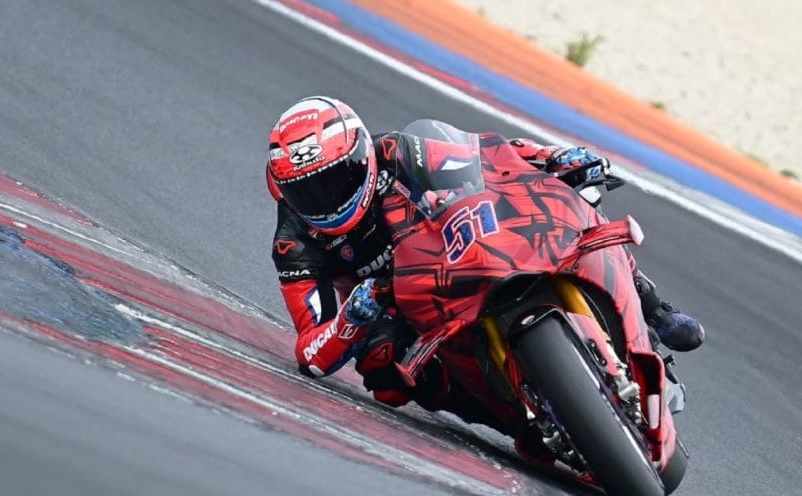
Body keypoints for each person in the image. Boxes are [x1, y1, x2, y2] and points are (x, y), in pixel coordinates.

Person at [266, 95, 704, 422]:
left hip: (459, 243)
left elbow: (493, 155)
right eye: (306, 191)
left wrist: (553, 157)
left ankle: (654, 307)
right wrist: (350, 320)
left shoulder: (397, 152)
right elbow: (311, 353)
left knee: (570, 197)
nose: (325, 199)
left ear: (361, 156)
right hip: (394, 302)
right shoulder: (295, 245)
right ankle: (502, 416)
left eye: (335, 179)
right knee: (383, 372)